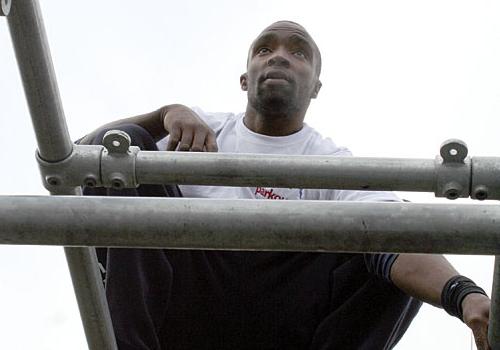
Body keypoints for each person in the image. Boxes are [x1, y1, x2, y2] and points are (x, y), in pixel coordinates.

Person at [81, 21, 492, 349]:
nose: (279, 57)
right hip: (181, 309)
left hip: (282, 318)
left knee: (390, 224)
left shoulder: (327, 160)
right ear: (245, 78)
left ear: (315, 86)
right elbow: (79, 164)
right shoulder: (198, 130)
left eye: (297, 52)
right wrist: (164, 114)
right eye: (265, 49)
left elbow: (397, 232)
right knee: (126, 150)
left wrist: (465, 295)